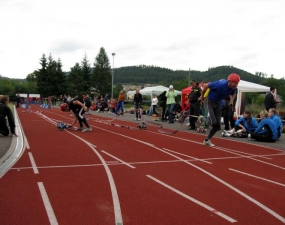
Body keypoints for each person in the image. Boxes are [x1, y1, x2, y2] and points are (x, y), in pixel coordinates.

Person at [198, 73, 240, 147]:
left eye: (237, 83)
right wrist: (202, 96)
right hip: (209, 102)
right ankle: (202, 118)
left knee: (217, 126)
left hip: (218, 104)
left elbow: (234, 94)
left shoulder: (233, 88)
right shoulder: (219, 84)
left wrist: (231, 101)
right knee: (212, 122)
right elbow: (206, 85)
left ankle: (207, 140)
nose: (235, 85)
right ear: (229, 81)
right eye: (234, 83)